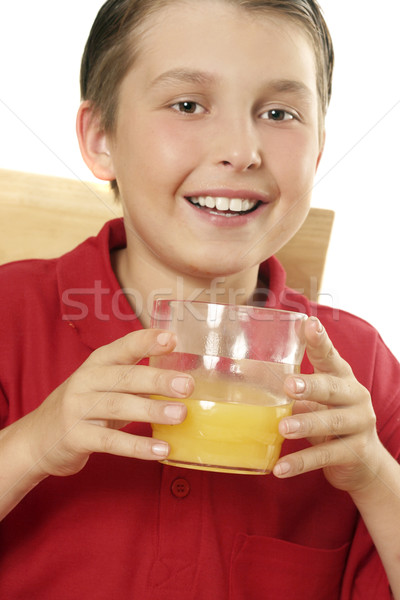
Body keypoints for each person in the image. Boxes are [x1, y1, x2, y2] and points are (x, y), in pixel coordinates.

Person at [0, 0, 399, 598]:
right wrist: (33, 443)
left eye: (280, 112)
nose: (242, 150)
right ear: (100, 137)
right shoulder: (9, 316)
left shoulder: (355, 370)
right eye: (187, 105)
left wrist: (373, 477)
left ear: (317, 153)